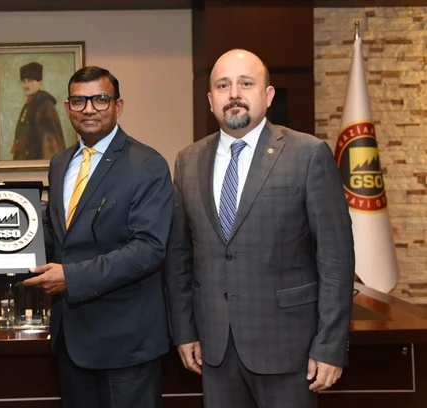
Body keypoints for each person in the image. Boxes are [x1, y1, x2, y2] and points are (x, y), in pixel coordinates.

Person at [165, 49, 355, 408]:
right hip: (214, 348)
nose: (234, 94)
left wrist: (330, 345)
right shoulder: (188, 161)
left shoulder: (307, 154)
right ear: (210, 100)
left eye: (246, 84)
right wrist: (184, 331)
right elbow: (179, 258)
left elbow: (336, 260)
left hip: (289, 348)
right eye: (223, 85)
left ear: (268, 96)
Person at [22, 66, 173, 408]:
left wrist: (71, 278)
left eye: (100, 99)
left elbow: (148, 249)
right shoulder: (60, 163)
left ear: (118, 106)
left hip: (126, 343)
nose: (89, 109)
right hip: (71, 340)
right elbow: (58, 237)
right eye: (79, 101)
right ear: (67, 108)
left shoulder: (147, 164)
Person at [10, 61, 67, 160]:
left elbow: (50, 142)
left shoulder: (45, 105)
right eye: (23, 81)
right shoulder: (29, 104)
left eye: (30, 80)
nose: (26, 84)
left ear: (40, 83)